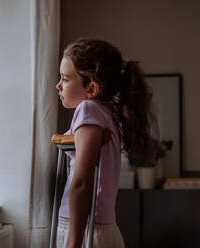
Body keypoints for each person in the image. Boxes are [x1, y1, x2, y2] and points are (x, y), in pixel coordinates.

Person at [55, 39, 158, 248]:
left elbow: (83, 182)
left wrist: (73, 243)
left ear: (91, 88)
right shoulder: (107, 112)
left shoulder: (89, 110)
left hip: (85, 229)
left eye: (65, 79)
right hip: (100, 227)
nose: (58, 85)